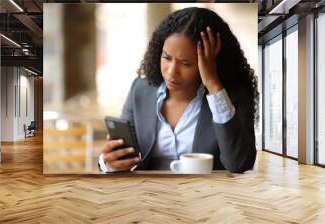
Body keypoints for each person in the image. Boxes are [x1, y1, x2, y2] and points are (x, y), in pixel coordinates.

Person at [99, 7, 259, 173]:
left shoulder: (231, 97)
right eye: (166, 57)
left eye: (185, 63)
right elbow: (123, 155)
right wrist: (108, 163)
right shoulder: (140, 90)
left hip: (207, 195)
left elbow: (239, 163)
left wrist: (213, 84)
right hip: (146, 195)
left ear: (211, 62)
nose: (171, 72)